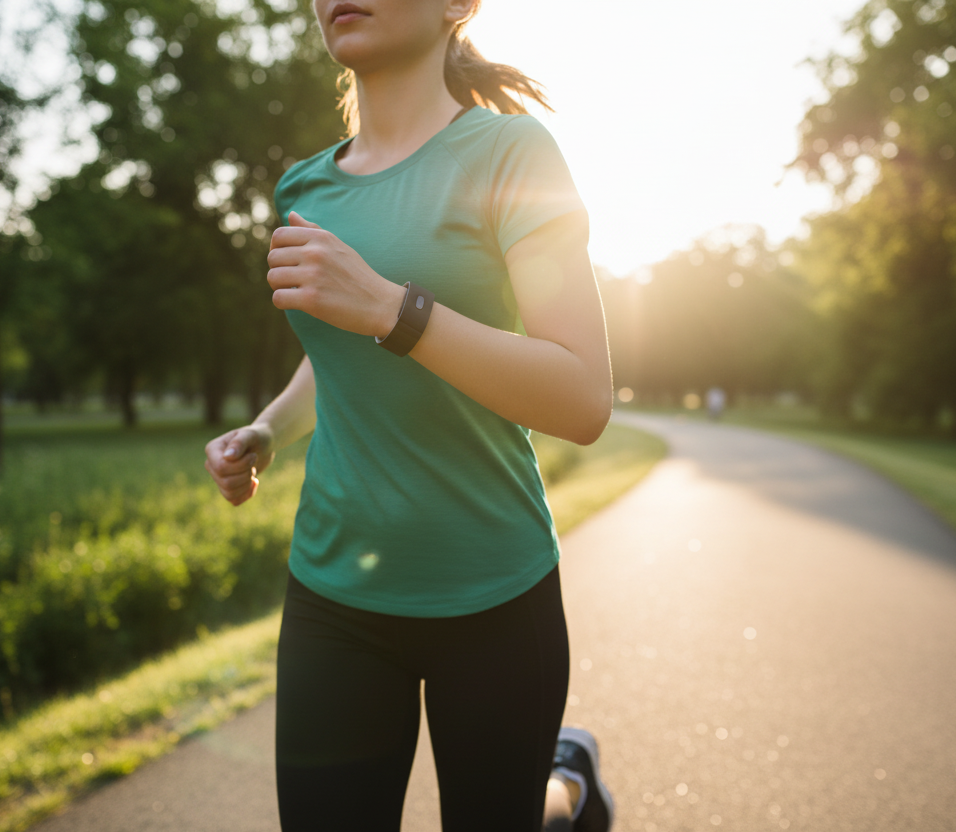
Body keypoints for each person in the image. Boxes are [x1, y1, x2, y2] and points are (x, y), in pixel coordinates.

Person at [204, 1, 615, 829]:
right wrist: (268, 430)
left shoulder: (511, 153)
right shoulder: (305, 186)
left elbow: (582, 398)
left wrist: (395, 309)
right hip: (333, 591)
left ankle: (567, 787)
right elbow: (336, 355)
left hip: (494, 593)